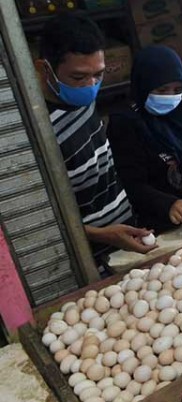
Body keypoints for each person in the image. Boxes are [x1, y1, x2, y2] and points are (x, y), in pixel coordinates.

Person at [34, 13, 155, 268]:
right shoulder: (38, 131)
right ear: (44, 69)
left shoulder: (83, 101)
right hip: (87, 256)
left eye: (98, 75)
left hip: (126, 234)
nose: (91, 86)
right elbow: (41, 218)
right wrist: (100, 235)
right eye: (79, 77)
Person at [108, 46, 182, 233]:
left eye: (177, 89)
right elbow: (131, 184)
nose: (170, 97)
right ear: (144, 84)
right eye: (162, 89)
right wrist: (168, 204)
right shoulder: (126, 123)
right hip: (162, 225)